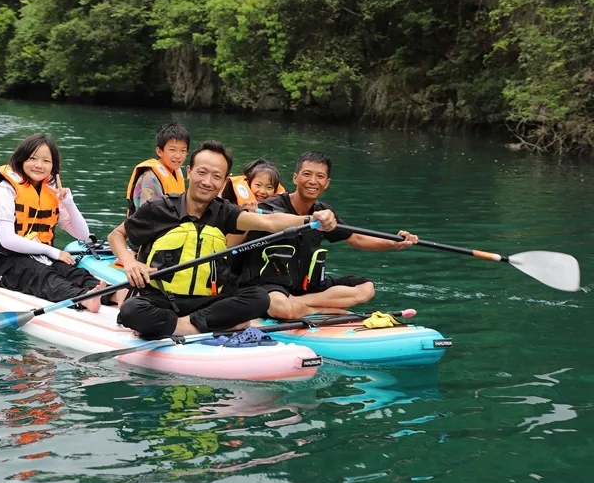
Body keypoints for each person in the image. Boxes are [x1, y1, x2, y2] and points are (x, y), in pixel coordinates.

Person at [107, 140, 338, 339]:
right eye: (202, 172)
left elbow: (270, 222)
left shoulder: (225, 212)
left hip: (207, 301)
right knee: (131, 311)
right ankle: (198, 326)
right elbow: (117, 234)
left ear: (224, 180)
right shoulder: (160, 208)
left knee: (258, 297)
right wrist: (130, 262)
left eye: (216, 176)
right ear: (189, 171)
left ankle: (179, 326)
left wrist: (312, 219)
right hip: (162, 298)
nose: (208, 182)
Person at [235, 150, 419, 320]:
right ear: (295, 178)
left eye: (320, 176)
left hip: (308, 287)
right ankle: (320, 309)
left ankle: (301, 305)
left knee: (366, 289)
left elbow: (357, 239)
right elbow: (258, 227)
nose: (313, 181)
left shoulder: (325, 212)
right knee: (280, 307)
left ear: (327, 183)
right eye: (307, 174)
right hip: (270, 287)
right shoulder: (269, 208)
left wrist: (394, 242)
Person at [0, 133, 127, 313]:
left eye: (46, 161)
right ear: (21, 159)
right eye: (32, 158)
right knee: (43, 275)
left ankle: (112, 294)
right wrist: (52, 251)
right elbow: (7, 240)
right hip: (5, 262)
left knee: (72, 271)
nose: (39, 165)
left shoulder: (51, 193)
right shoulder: (4, 191)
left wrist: (69, 203)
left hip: (41, 256)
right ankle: (85, 299)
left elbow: (82, 235)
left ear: (53, 166)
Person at [125, 122, 189, 216]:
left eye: (183, 151)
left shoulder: (177, 172)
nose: (178, 156)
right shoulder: (150, 177)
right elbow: (148, 217)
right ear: (159, 151)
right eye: (172, 150)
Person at [220, 158, 286, 210]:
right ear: (249, 183)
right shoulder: (230, 199)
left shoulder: (280, 207)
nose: (262, 191)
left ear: (275, 189)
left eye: (269, 187)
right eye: (258, 185)